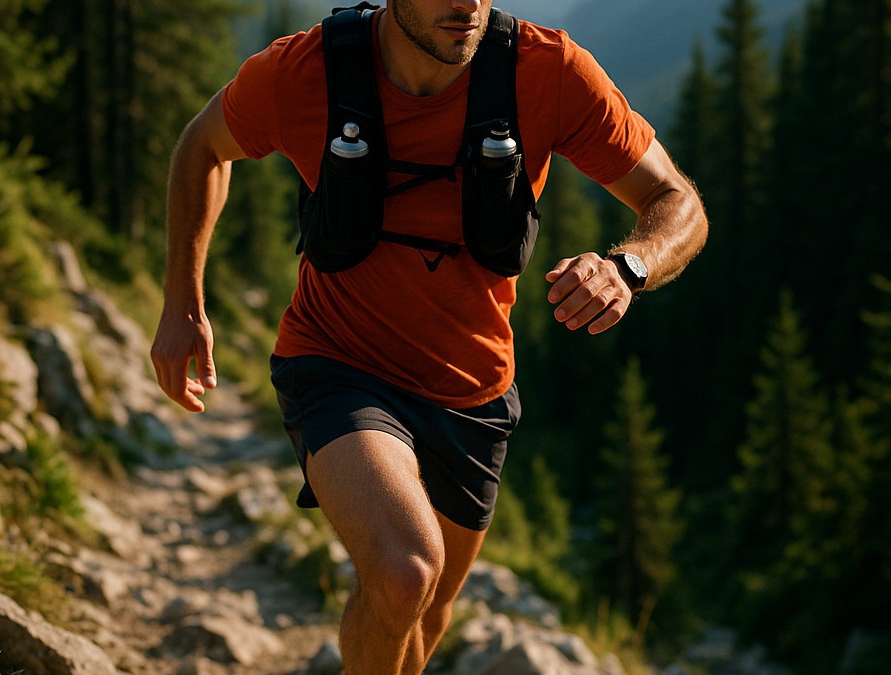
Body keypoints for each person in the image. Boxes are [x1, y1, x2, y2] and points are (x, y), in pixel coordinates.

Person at [150, 0, 708, 672]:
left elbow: (678, 201)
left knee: (422, 619)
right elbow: (202, 145)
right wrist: (183, 299)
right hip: (338, 362)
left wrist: (628, 266)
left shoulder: (547, 71)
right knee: (405, 570)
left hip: (473, 391)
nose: (466, 4)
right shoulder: (309, 71)